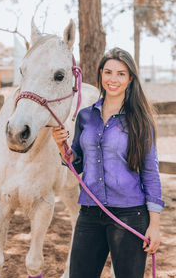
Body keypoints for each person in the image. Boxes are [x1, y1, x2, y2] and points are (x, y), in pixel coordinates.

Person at [52, 47, 164, 278]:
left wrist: (154, 224)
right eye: (108, 72)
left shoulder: (140, 121)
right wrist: (61, 146)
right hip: (90, 213)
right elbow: (78, 162)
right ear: (101, 74)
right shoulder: (85, 116)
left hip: (130, 215)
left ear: (130, 78)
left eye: (121, 74)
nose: (113, 79)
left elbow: (151, 173)